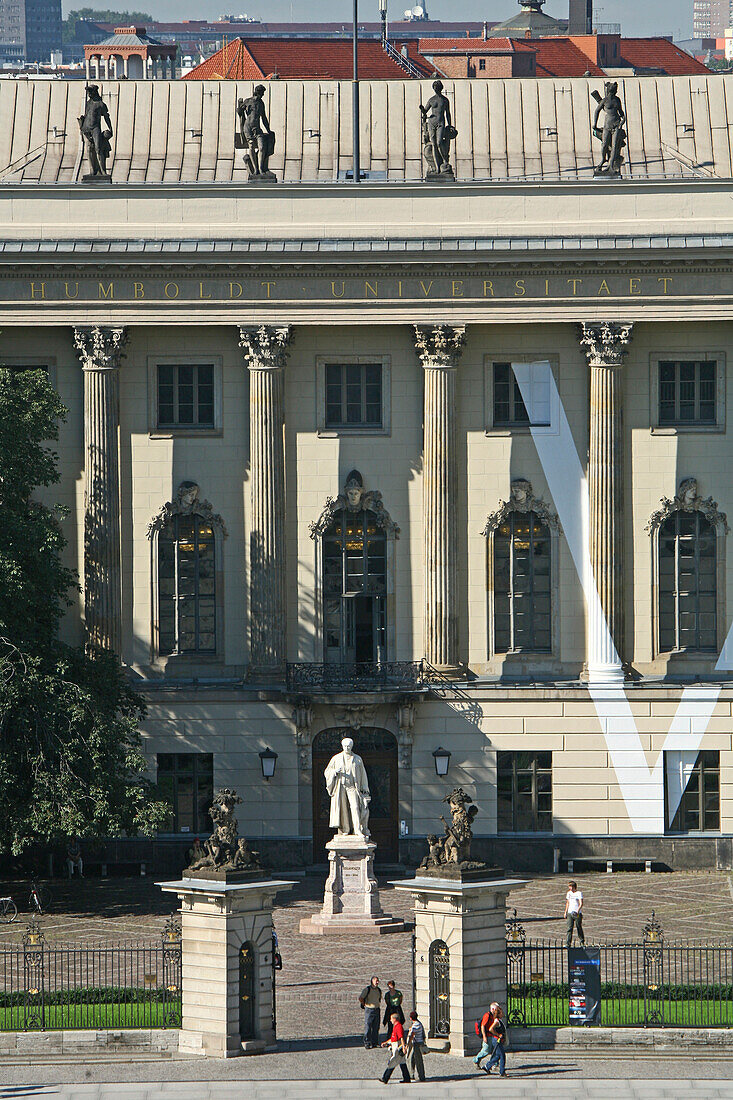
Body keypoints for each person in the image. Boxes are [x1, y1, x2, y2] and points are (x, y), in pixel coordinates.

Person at [380, 1010, 411, 1084]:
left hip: (397, 1046)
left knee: (392, 1062)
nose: (390, 1020)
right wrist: (386, 1042)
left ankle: (385, 1078)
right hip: (395, 1044)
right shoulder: (396, 1027)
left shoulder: (398, 1027)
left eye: (391, 1019)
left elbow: (401, 1038)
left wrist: (403, 1047)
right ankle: (407, 1078)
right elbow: (393, 1038)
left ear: (394, 1019)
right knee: (402, 1062)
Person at [482, 1004, 508, 1077]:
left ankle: (487, 1066)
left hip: (498, 1040)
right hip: (496, 1040)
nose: (503, 1013)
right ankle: (502, 1072)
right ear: (499, 1014)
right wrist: (498, 1034)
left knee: (498, 1055)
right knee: (502, 1055)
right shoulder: (496, 1021)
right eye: (501, 1012)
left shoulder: (499, 1020)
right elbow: (491, 1029)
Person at [359, 975, 382, 1048]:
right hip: (369, 1009)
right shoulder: (367, 989)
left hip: (377, 1009)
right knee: (368, 1026)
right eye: (376, 981)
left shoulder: (378, 990)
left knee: (376, 1026)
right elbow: (361, 998)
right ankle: (367, 1042)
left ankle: (375, 1042)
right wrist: (364, 1004)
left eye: (378, 981)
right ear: (372, 981)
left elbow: (379, 999)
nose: (377, 982)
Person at [473, 1002, 497, 1070]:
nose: (495, 1010)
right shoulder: (487, 1015)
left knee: (495, 1050)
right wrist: (484, 1036)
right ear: (491, 1009)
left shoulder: (494, 1016)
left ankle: (495, 1064)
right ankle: (476, 1060)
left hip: (493, 1036)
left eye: (496, 1009)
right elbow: (482, 1026)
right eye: (494, 1009)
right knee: (485, 1051)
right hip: (487, 1036)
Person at [406, 1010, 426, 1082]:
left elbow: (412, 1035)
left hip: (416, 1044)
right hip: (417, 1043)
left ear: (411, 1018)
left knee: (418, 1061)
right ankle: (411, 1074)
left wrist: (407, 1045)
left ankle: (421, 1076)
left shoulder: (415, 1025)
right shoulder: (419, 1023)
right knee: (411, 1059)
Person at [564, 880, 585, 946]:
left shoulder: (579, 893)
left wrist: (577, 911)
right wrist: (565, 912)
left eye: (571, 887)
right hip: (570, 912)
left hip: (577, 913)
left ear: (574, 887)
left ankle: (582, 941)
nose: (570, 888)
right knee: (569, 928)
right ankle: (568, 943)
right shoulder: (568, 893)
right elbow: (567, 903)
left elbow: (581, 903)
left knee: (578, 926)